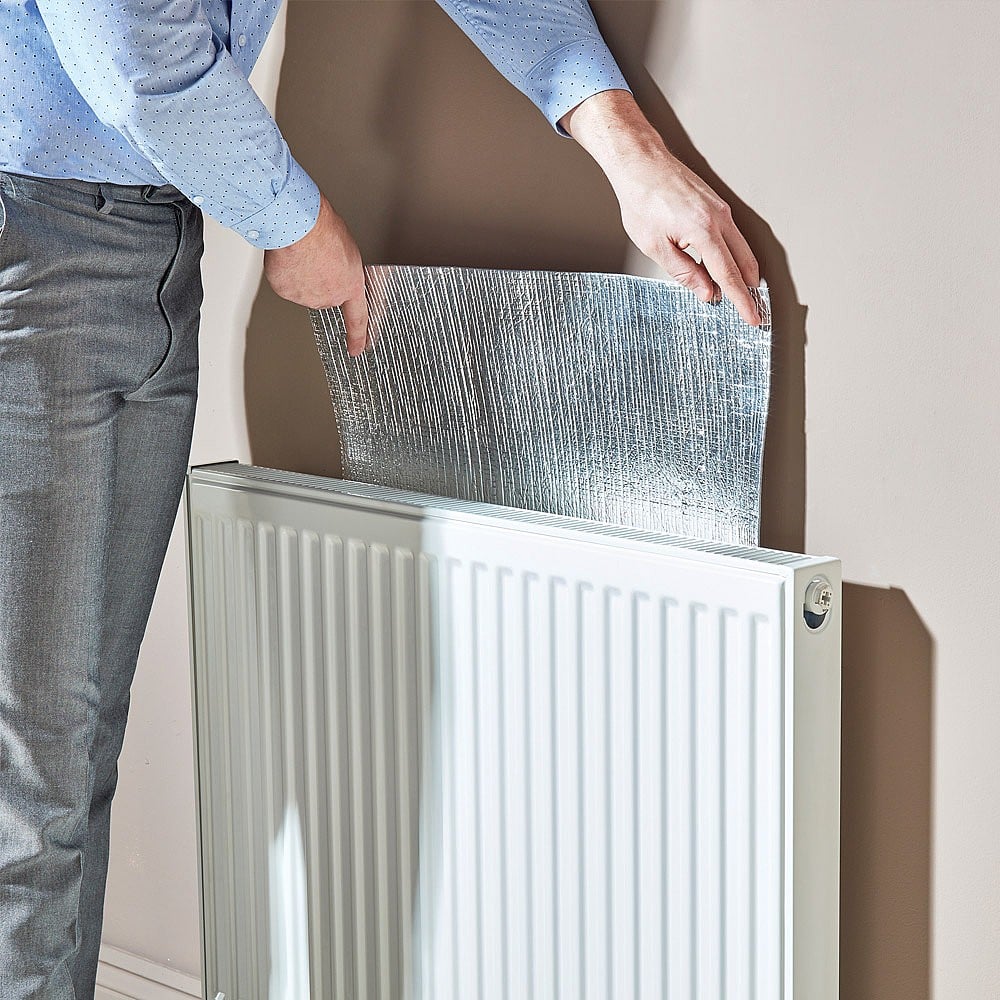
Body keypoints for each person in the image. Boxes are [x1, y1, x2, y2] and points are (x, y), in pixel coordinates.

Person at [0, 1, 760, 997]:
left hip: (152, 239)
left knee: (72, 757)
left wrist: (628, 147)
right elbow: (135, 54)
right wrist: (296, 219)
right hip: (34, 237)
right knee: (31, 786)